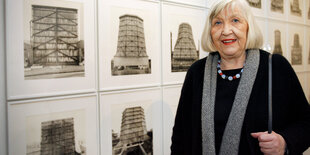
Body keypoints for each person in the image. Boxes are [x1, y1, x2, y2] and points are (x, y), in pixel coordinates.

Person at [170, 0, 310, 154]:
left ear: (248, 27)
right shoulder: (197, 72)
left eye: (235, 20)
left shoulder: (275, 67)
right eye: (218, 23)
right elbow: (181, 136)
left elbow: (306, 123)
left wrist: (285, 142)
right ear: (210, 31)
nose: (226, 30)